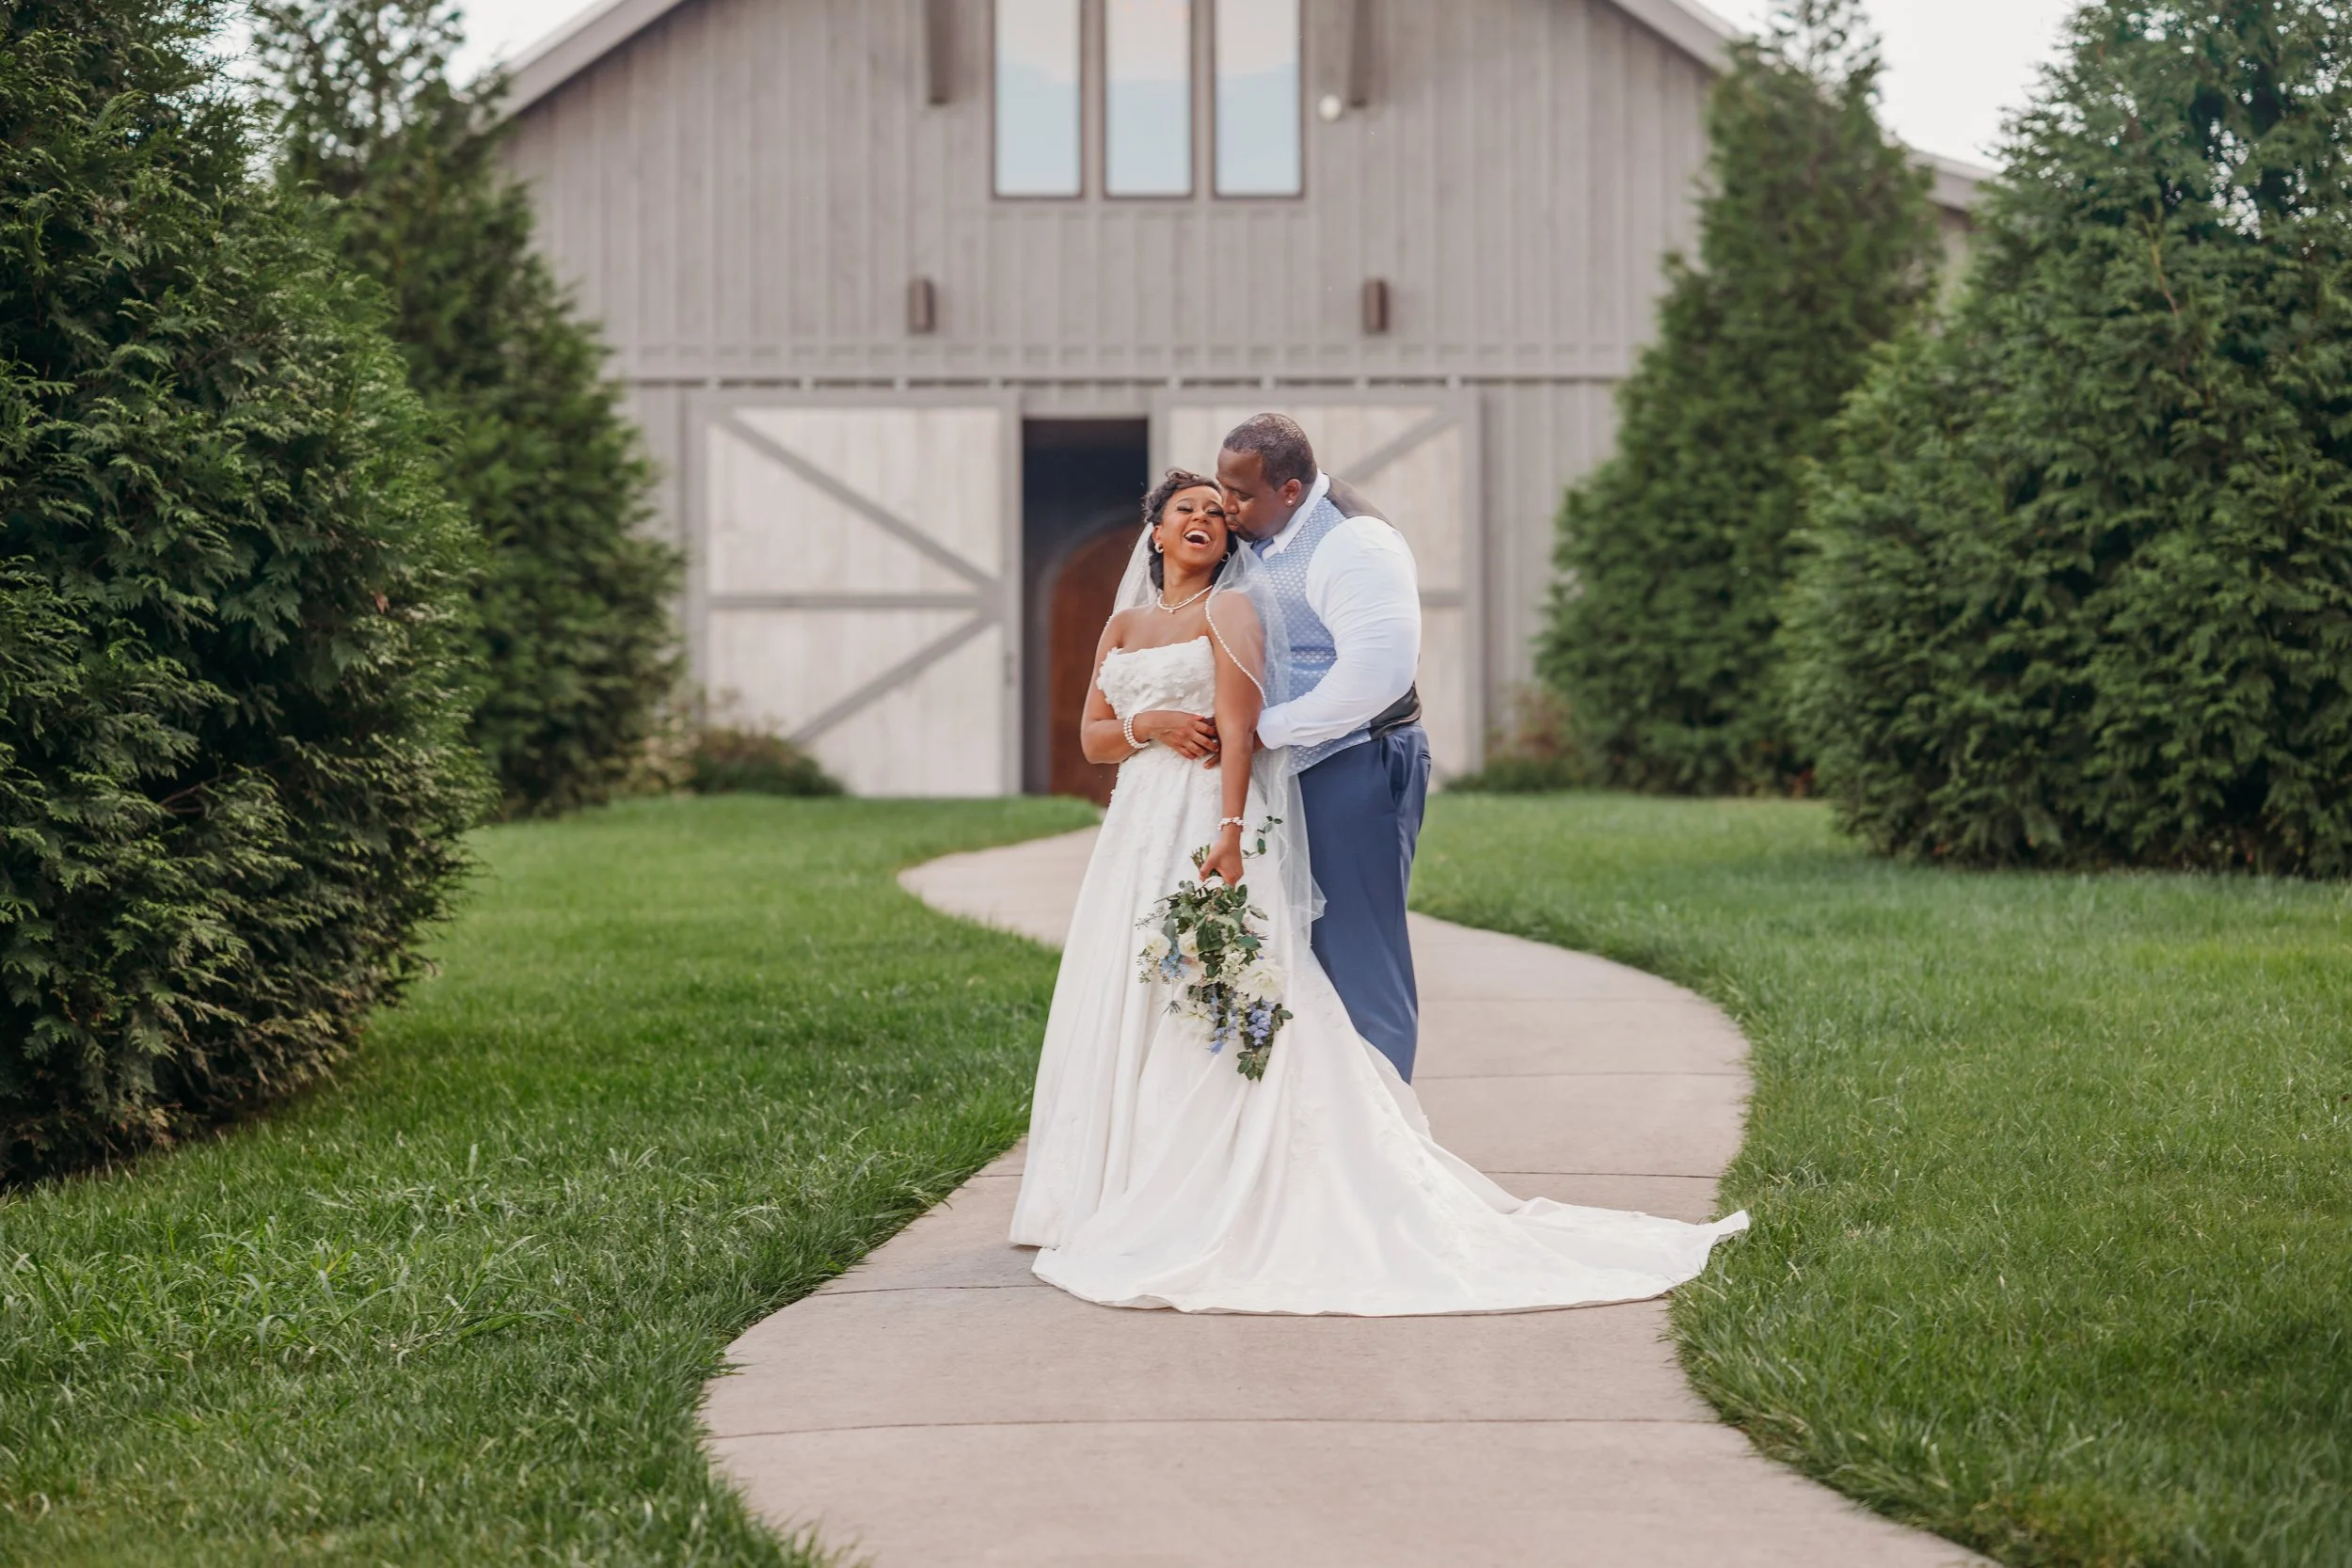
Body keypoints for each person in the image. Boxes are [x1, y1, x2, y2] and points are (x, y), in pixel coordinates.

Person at [1008, 454, 1747, 1315]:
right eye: (1187, 508)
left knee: (1206, 988)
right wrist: (1152, 722)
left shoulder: (1233, 610)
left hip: (1205, 818)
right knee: (1126, 986)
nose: (1205, 518)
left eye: (1218, 508)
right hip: (1135, 824)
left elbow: (1243, 734)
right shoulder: (1125, 626)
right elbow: (1095, 738)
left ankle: (1201, 1178)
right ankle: (1105, 1184)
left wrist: (1233, 833)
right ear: (1158, 530)